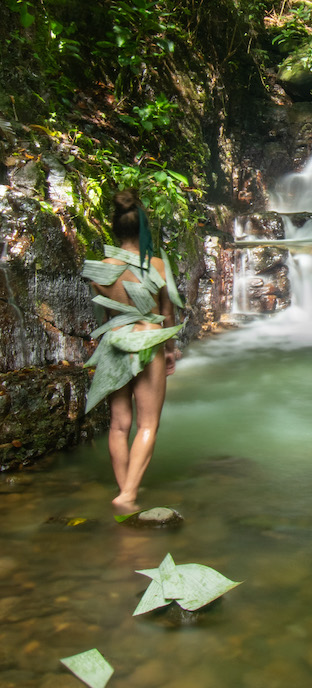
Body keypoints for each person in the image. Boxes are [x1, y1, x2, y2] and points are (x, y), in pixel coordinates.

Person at [82, 189, 183, 513]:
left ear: (114, 228)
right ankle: (128, 495)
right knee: (148, 424)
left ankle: (124, 491)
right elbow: (167, 313)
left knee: (119, 424)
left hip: (115, 342)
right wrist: (170, 350)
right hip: (149, 340)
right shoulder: (156, 266)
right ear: (143, 228)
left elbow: (103, 314)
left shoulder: (99, 269)